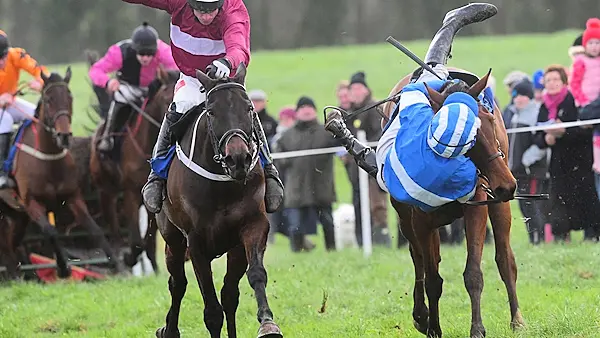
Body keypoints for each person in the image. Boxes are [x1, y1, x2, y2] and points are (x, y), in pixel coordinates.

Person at [122, 0, 284, 214]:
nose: (206, 16)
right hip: (192, 78)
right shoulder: (177, 3)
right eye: (200, 10)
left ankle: (269, 170)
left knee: (245, 110)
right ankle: (157, 176)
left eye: (212, 10)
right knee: (178, 108)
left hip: (227, 77)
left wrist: (226, 63)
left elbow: (238, 46)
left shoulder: (233, 8)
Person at [325, 63, 482, 212]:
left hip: (396, 184)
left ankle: (344, 135)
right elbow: (468, 196)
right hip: (433, 200)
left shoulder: (421, 118)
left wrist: (439, 80)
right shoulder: (466, 173)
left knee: (397, 132)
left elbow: (412, 90)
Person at [534, 65, 600, 242]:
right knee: (559, 201)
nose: (552, 83)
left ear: (564, 81)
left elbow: (586, 130)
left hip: (581, 160)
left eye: (556, 79)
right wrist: (546, 139)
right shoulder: (544, 106)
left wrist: (564, 132)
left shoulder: (574, 100)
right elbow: (537, 134)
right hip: (558, 164)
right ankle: (561, 237)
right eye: (548, 80)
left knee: (586, 198)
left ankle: (592, 235)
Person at [89, 22, 178, 152]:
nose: (146, 58)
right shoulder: (120, 51)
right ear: (134, 48)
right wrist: (108, 82)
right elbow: (95, 70)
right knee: (120, 96)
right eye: (141, 53)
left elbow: (179, 66)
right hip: (128, 87)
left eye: (150, 54)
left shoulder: (163, 50)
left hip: (153, 88)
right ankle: (108, 136)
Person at [0, 30, 48, 189]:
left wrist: (40, 82)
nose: (2, 62)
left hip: (10, 102)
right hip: (2, 106)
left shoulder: (16, 55)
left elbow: (39, 70)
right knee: (5, 120)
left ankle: (33, 156)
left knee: (36, 113)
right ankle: (2, 172)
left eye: (3, 57)